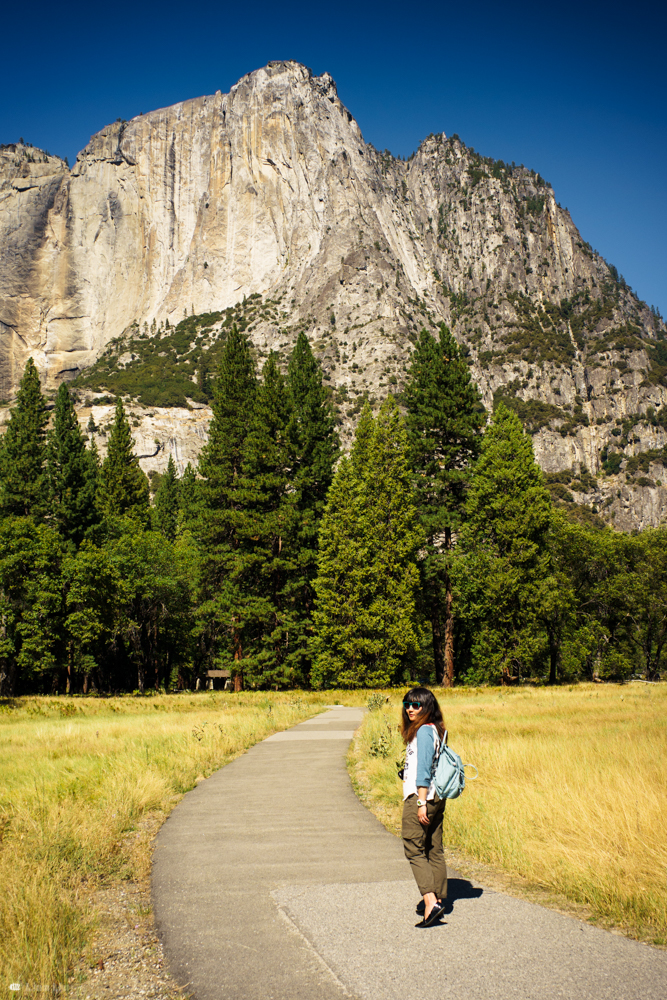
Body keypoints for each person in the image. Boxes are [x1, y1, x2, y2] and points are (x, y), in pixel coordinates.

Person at [400, 686, 447, 926]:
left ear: (427, 707)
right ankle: (439, 898)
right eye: (407, 703)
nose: (410, 708)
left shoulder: (425, 733)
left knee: (414, 848)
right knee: (433, 847)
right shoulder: (435, 729)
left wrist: (420, 802)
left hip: (422, 797)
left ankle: (430, 901)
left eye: (416, 705)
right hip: (436, 797)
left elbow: (424, 771)